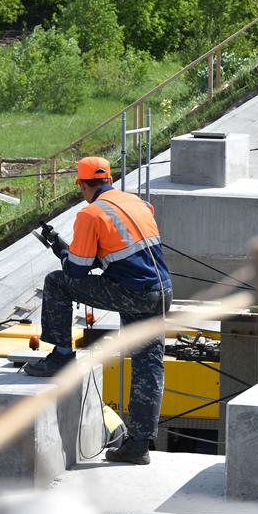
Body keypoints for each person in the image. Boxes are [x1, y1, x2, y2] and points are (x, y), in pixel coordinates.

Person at [26, 156, 172, 465]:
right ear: (109, 179)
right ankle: (138, 444)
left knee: (56, 283)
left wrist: (65, 254)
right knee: (149, 366)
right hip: (161, 292)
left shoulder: (90, 214)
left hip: (131, 292)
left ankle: (62, 356)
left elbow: (77, 272)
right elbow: (116, 251)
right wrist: (75, 253)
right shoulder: (137, 204)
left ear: (82, 184)